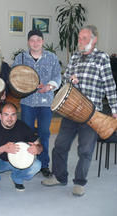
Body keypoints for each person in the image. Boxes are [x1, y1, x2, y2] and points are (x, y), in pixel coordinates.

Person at [41, 25, 117, 196]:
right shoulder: (75, 56)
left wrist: (115, 110)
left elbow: (109, 85)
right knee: (59, 145)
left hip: (91, 113)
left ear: (94, 39)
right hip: (71, 111)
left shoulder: (101, 58)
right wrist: (70, 79)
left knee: (85, 150)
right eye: (79, 38)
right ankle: (59, 177)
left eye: (84, 38)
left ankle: (80, 182)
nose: (80, 41)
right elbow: (66, 76)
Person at [12, 29, 61, 177]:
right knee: (27, 134)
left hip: (46, 103)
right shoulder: (20, 58)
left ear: (43, 42)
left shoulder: (52, 57)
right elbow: (14, 77)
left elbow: (58, 76)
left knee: (44, 134)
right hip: (27, 102)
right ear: (28, 42)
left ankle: (44, 164)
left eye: (38, 40)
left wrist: (49, 86)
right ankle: (27, 162)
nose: (35, 43)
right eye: (32, 40)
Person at [0, 102, 42, 192]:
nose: (10, 118)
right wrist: (3, 148)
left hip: (19, 160)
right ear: (0, 116)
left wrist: (38, 148)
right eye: (6, 115)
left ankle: (17, 177)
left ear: (16, 116)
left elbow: (38, 144)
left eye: (13, 115)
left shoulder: (22, 126)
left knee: (37, 165)